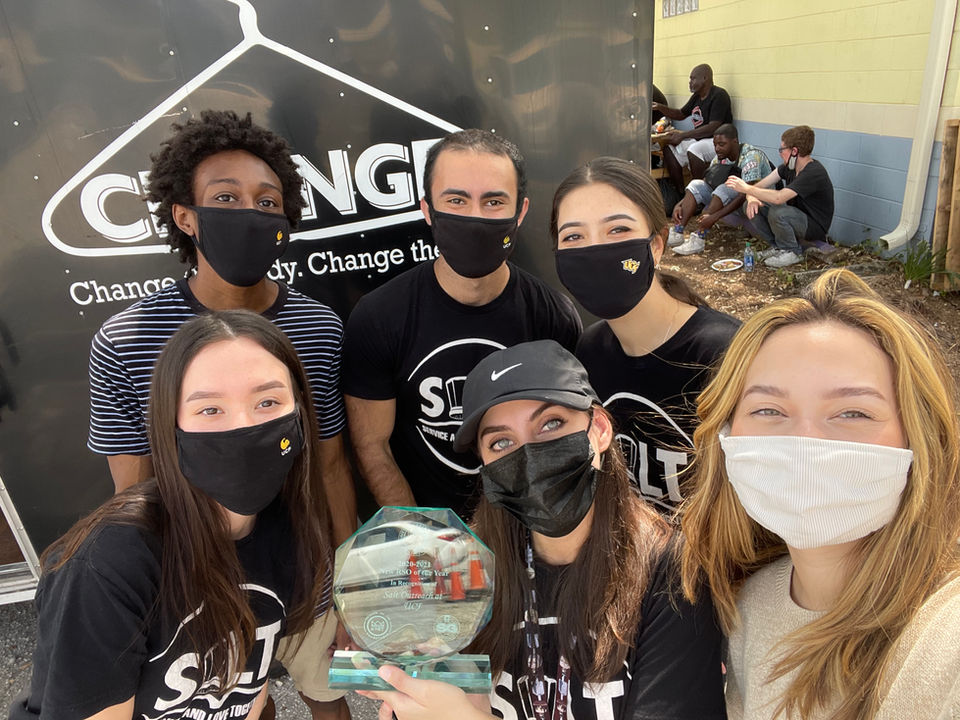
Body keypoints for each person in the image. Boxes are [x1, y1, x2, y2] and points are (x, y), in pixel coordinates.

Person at [86, 110, 354, 719]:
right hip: (206, 583)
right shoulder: (127, 340)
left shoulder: (317, 327)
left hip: (308, 570)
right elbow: (134, 489)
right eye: (226, 197)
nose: (249, 213)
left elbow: (331, 466)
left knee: (329, 697)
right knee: (244, 706)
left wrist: (347, 584)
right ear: (185, 216)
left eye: (267, 202)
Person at [358, 340, 726, 720]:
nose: (529, 456)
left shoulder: (672, 573)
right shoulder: (462, 566)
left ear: (599, 429)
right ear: (485, 466)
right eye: (501, 442)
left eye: (551, 424)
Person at [11, 311, 335, 720]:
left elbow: (248, 687)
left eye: (267, 402)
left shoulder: (287, 532)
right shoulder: (109, 566)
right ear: (171, 427)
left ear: (300, 413)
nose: (243, 426)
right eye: (210, 410)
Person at [680, 268, 960, 719]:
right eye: (768, 409)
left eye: (853, 413)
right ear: (727, 435)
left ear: (919, 438)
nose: (805, 440)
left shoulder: (947, 638)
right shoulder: (749, 609)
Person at [342, 129, 581, 520]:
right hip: (428, 527)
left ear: (520, 212)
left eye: (493, 202)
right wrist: (423, 535)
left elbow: (566, 438)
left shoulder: (553, 317)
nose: (474, 218)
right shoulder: (379, 317)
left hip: (529, 524)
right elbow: (373, 446)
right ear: (427, 209)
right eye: (456, 200)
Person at [551, 156, 739, 512]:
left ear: (656, 245)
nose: (595, 251)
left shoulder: (724, 353)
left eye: (618, 230)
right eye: (573, 236)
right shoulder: (590, 351)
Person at [725, 125, 835, 268]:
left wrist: (746, 188)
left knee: (778, 212)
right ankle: (777, 247)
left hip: (814, 226)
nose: (780, 153)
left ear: (794, 151)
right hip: (795, 216)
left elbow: (779, 198)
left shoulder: (813, 172)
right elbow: (760, 186)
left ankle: (792, 252)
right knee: (751, 205)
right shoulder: (788, 167)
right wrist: (751, 197)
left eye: (782, 149)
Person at [669, 123, 773, 256]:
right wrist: (679, 204)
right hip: (734, 201)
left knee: (724, 188)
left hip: (758, 203)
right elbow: (705, 182)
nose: (717, 149)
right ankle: (678, 231)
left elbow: (745, 194)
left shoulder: (751, 157)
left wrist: (713, 217)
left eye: (722, 144)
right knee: (696, 184)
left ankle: (699, 237)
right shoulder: (721, 157)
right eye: (715, 145)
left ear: (735, 142)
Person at [651, 64, 733, 194]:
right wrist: (660, 107)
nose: (690, 82)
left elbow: (713, 127)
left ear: (705, 78)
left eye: (693, 78)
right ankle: (680, 193)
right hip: (699, 140)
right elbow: (680, 114)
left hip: (717, 142)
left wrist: (683, 135)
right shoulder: (696, 97)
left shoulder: (719, 95)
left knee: (694, 149)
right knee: (669, 149)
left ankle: (699, 194)